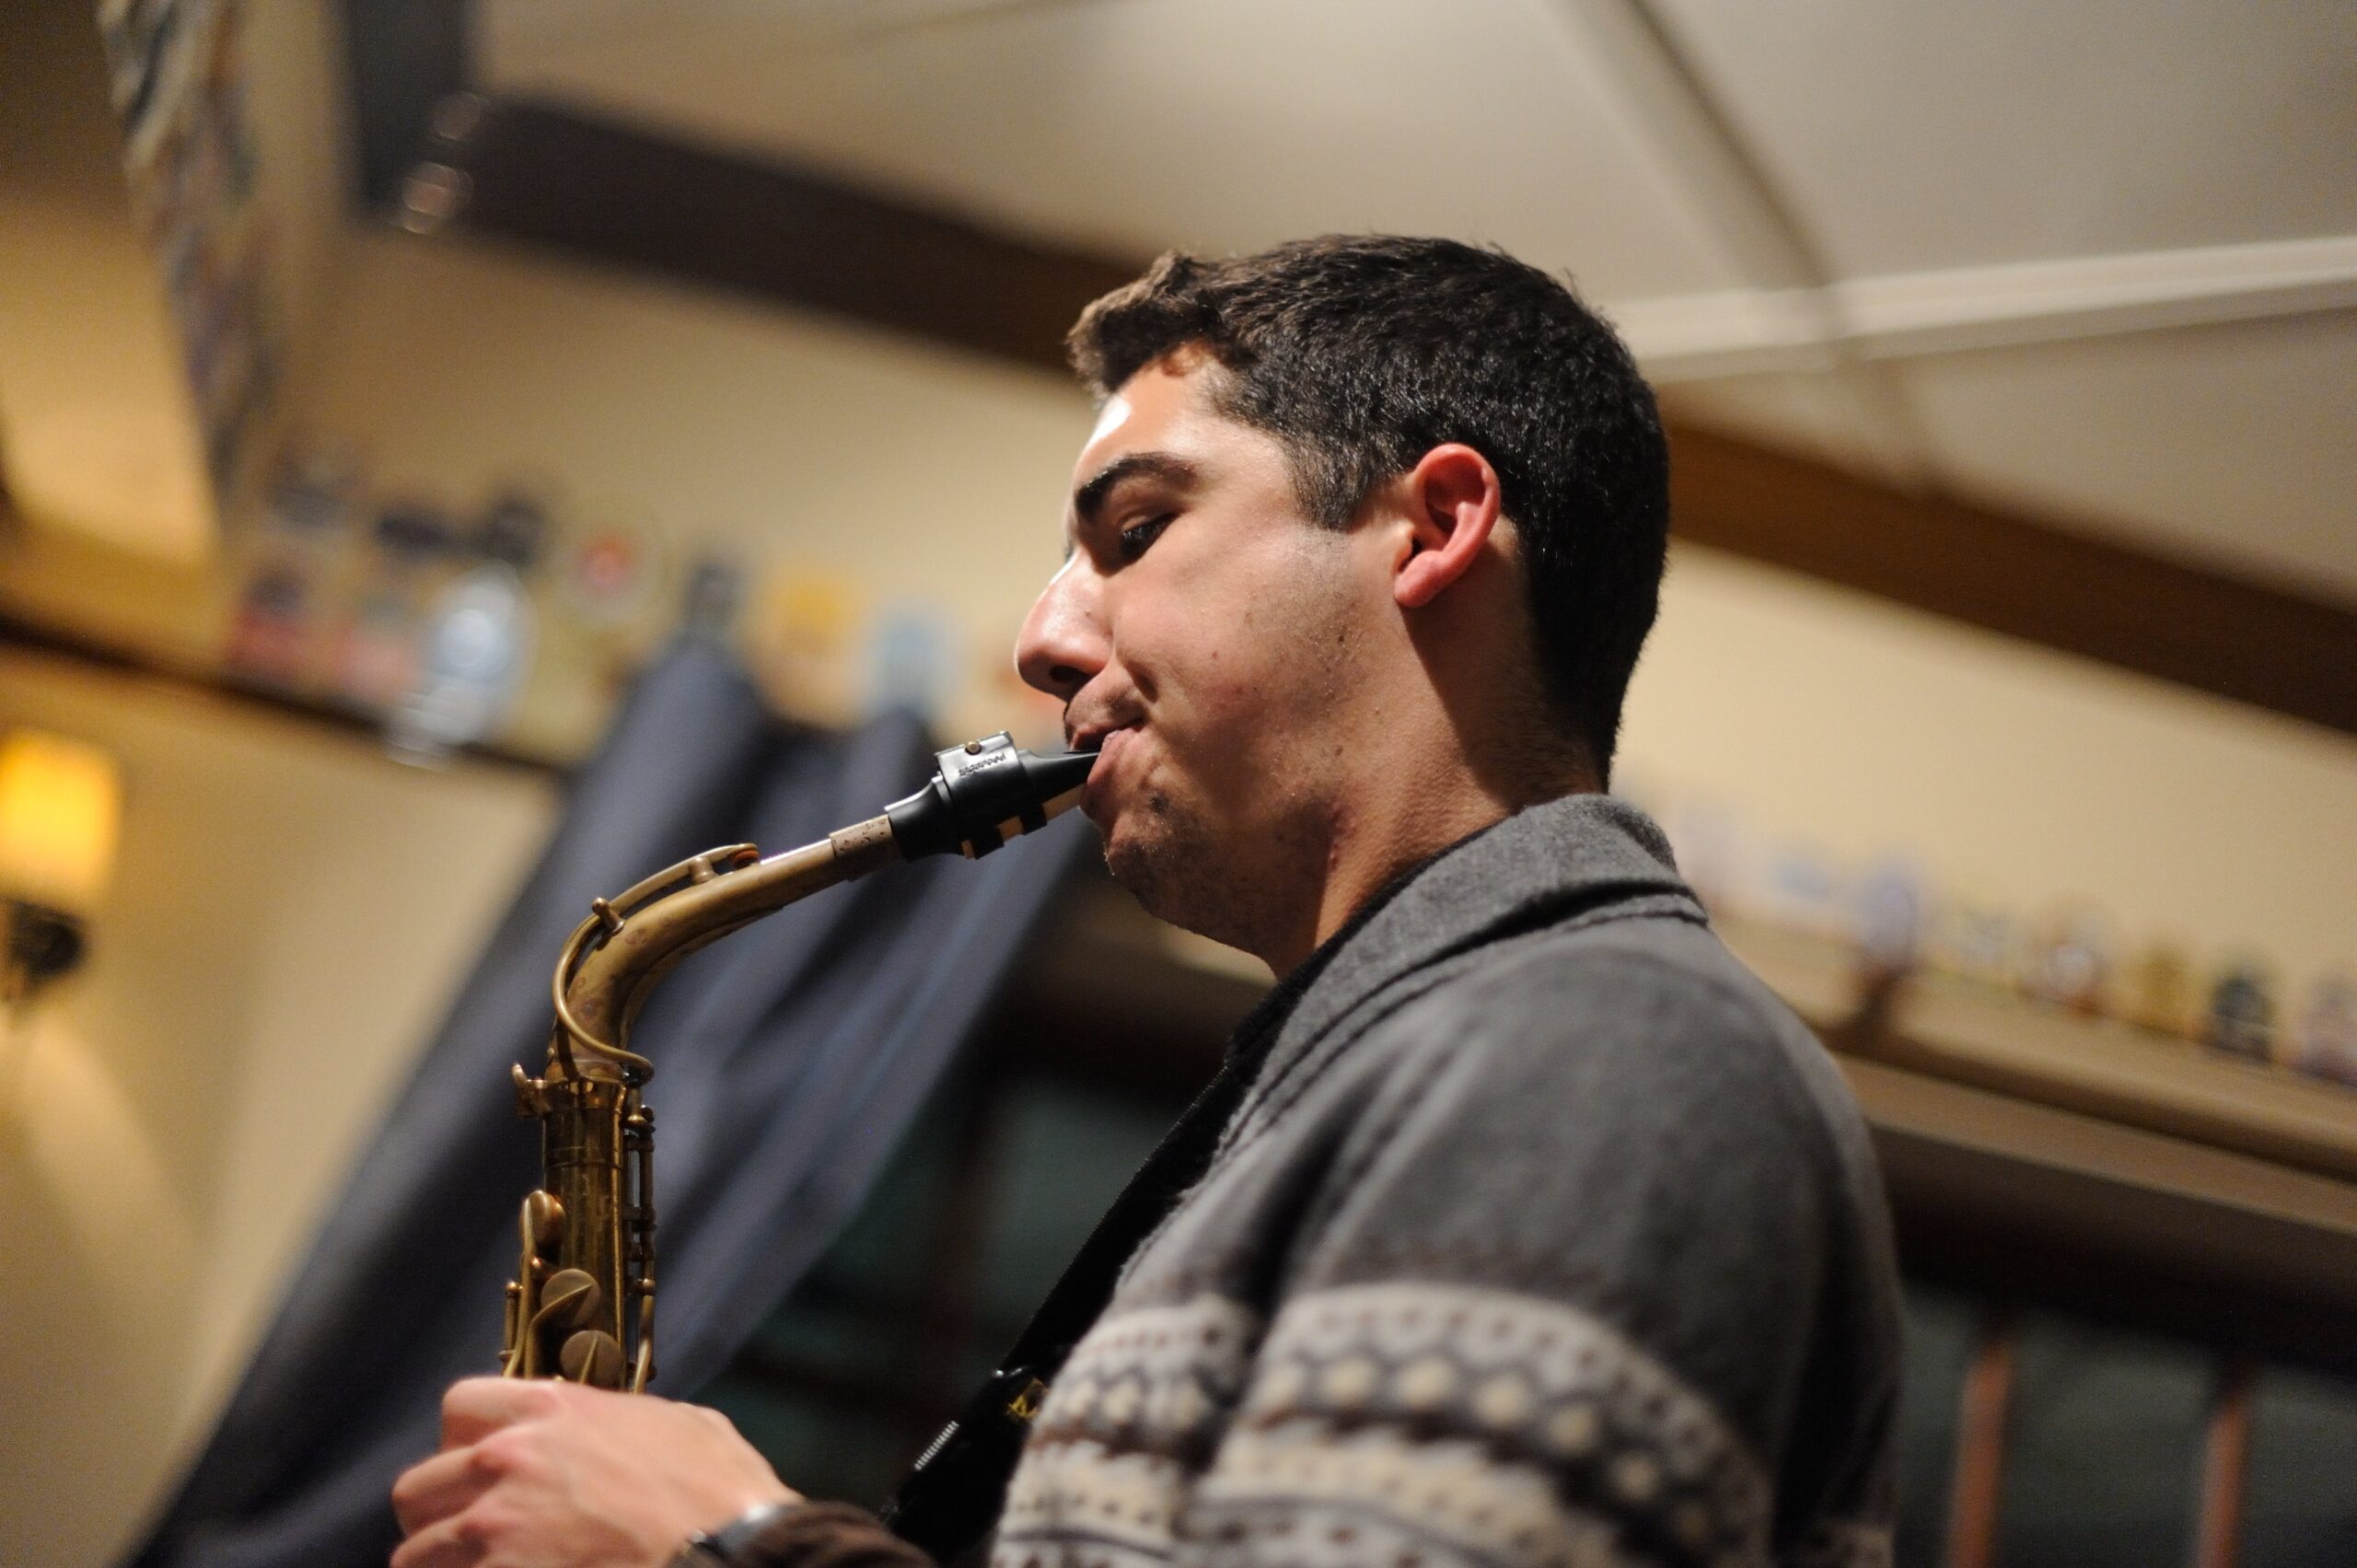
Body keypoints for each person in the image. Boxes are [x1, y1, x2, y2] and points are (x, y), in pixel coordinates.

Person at [390, 236, 1901, 1568]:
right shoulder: (1383, 1074)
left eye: (1133, 533)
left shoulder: (1598, 1050)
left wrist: (721, 1543)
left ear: (1435, 528)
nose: (1043, 638)